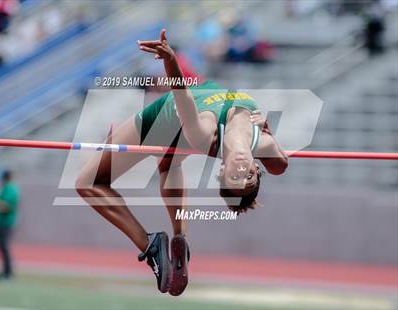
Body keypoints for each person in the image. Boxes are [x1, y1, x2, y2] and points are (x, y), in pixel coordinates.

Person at [75, 29, 288, 296]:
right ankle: (179, 237)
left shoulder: (204, 135)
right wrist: (269, 133)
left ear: (221, 170)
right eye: (249, 177)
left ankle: (149, 244)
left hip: (164, 116)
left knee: (87, 182)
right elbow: (280, 165)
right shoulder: (262, 140)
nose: (242, 171)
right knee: (169, 165)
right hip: (187, 114)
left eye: (235, 178)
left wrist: (170, 60)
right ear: (256, 169)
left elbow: (181, 94)